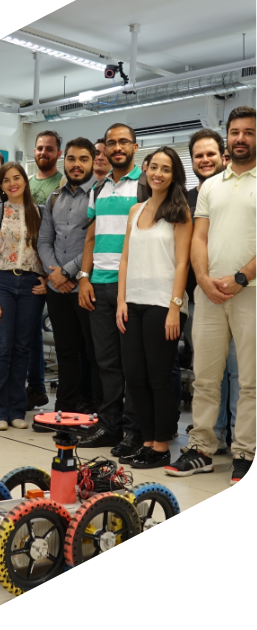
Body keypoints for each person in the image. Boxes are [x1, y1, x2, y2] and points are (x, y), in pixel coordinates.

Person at [166, 106, 257, 484]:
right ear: (228, 137)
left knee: (251, 380)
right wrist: (202, 279)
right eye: (235, 132)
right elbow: (198, 236)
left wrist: (240, 277)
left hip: (251, 293)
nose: (241, 138)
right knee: (204, 377)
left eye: (249, 132)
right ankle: (201, 448)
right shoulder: (210, 186)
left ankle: (246, 452)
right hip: (208, 296)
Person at [116, 147, 192, 468]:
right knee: (134, 376)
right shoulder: (136, 210)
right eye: (154, 167)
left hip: (164, 305)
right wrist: (121, 300)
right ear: (146, 170)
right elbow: (125, 258)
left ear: (175, 174)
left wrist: (175, 307)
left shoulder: (180, 212)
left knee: (159, 377)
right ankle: (147, 440)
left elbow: (182, 264)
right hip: (133, 302)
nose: (157, 173)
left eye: (166, 169)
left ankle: (161, 445)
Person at [78, 123, 146, 452]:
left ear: (135, 146)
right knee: (106, 364)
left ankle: (134, 431)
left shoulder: (145, 186)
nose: (117, 147)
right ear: (103, 149)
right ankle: (109, 426)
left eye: (123, 142)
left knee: (133, 364)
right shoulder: (98, 188)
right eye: (111, 143)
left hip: (131, 288)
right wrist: (83, 277)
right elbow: (90, 237)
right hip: (99, 287)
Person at [183, 129, 239, 454]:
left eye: (210, 154)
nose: (205, 160)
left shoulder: (240, 190)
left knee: (238, 373)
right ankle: (213, 435)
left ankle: (237, 438)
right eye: (198, 156)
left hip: (239, 291)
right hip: (200, 297)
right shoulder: (187, 198)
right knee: (207, 373)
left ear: (223, 155)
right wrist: (201, 283)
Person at [38, 137, 103, 414]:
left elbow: (98, 241)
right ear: (64, 160)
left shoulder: (101, 195)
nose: (77, 165)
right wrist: (55, 276)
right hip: (58, 290)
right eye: (72, 159)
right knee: (66, 352)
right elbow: (44, 240)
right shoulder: (55, 197)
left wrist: (66, 273)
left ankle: (97, 411)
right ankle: (65, 408)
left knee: (95, 354)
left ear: (93, 162)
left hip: (87, 287)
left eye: (83, 159)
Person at [0, 162, 47, 430]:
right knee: (2, 349)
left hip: (31, 285)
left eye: (16, 178)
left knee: (22, 349)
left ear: (25, 181)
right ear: (1, 185)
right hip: (2, 281)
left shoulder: (40, 213)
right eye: (6, 180)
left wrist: (46, 279)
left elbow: (46, 250)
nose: (11, 183)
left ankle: (17, 409)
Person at [27, 130, 63, 411]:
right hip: (26, 268)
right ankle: (30, 388)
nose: (43, 153)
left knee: (36, 334)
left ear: (58, 154)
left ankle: (37, 387)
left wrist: (48, 273)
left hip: (50, 272)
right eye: (39, 148)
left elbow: (57, 235)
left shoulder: (62, 184)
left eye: (49, 149)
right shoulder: (25, 184)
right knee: (26, 334)